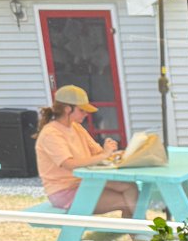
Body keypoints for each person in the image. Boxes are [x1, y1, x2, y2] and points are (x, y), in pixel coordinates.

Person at [34, 85, 137, 217]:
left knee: (130, 187)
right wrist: (104, 155)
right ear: (67, 109)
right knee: (128, 201)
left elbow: (98, 153)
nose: (86, 114)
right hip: (64, 191)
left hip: (84, 182)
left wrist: (109, 151)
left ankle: (142, 235)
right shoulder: (51, 133)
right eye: (82, 110)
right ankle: (146, 233)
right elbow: (69, 164)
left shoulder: (76, 127)